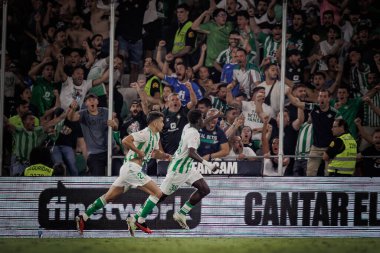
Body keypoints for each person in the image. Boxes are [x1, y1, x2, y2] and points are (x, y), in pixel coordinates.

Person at [75, 111, 171, 235]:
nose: (163, 124)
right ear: (155, 122)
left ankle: (83, 217)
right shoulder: (145, 133)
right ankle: (137, 220)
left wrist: (167, 156)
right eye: (162, 121)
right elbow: (126, 140)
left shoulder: (156, 136)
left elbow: (154, 153)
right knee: (157, 193)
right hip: (132, 168)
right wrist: (138, 151)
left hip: (128, 170)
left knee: (108, 197)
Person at [127, 109, 220, 235]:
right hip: (178, 170)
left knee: (204, 189)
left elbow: (201, 124)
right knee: (159, 195)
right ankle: (137, 218)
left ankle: (181, 213)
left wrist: (214, 116)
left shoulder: (188, 126)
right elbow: (192, 153)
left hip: (187, 168)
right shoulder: (193, 134)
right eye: (202, 118)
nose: (203, 121)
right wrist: (208, 164)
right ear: (198, 120)